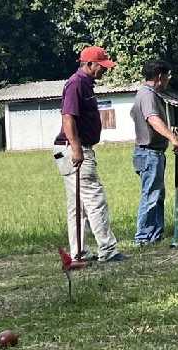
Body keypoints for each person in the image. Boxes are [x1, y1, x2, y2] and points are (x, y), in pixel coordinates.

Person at [52, 45, 125, 263]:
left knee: (78, 206)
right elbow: (68, 117)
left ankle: (79, 252)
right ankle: (108, 250)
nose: (105, 70)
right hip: (75, 148)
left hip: (71, 147)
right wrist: (76, 148)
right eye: (102, 66)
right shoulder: (76, 84)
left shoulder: (85, 84)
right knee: (95, 199)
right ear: (89, 64)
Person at [130, 59, 178, 246]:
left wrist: (169, 135)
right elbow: (153, 119)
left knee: (157, 194)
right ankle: (143, 238)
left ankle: (154, 235)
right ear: (160, 76)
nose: (168, 80)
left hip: (153, 153)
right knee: (151, 195)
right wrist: (173, 138)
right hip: (148, 153)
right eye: (168, 76)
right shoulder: (147, 95)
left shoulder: (150, 94)